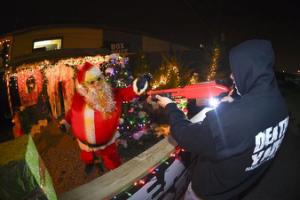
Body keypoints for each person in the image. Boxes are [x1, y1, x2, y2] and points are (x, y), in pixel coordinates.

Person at [153, 39, 289, 200]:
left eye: (236, 70)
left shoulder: (234, 118)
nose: (232, 75)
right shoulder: (280, 105)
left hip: (208, 193)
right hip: (239, 187)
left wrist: (171, 107)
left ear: (250, 70)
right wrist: (235, 102)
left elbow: (185, 135)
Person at [60, 61, 150, 174]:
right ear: (84, 84)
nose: (97, 84)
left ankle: (115, 171)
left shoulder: (111, 95)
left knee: (110, 156)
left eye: (98, 79)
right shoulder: (78, 98)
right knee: (86, 154)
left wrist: (136, 88)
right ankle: (89, 162)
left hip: (106, 141)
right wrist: (66, 123)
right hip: (84, 142)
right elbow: (72, 112)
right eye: (91, 82)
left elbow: (124, 93)